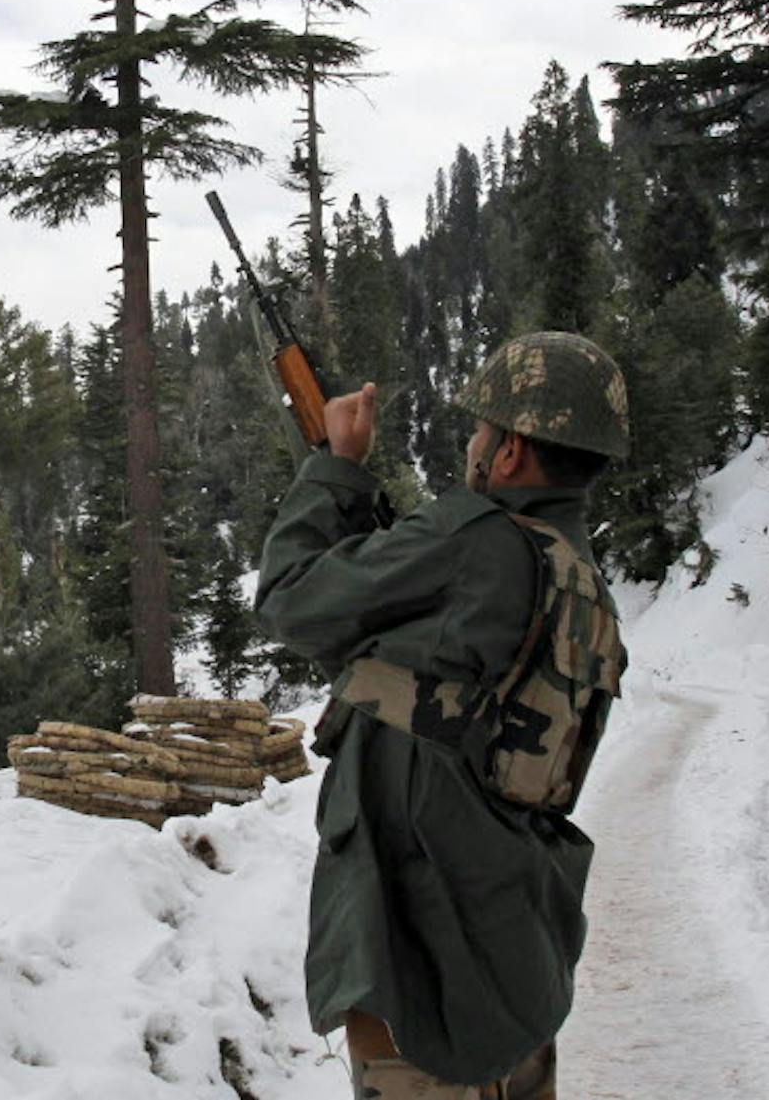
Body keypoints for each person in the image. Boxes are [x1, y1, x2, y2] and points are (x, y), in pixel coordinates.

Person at [254, 332, 631, 1100]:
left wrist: (335, 464)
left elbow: (290, 599)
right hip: (513, 955)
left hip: (420, 961)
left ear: (512, 453)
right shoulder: (580, 576)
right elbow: (410, 670)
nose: (475, 442)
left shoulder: (472, 541)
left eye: (484, 429)